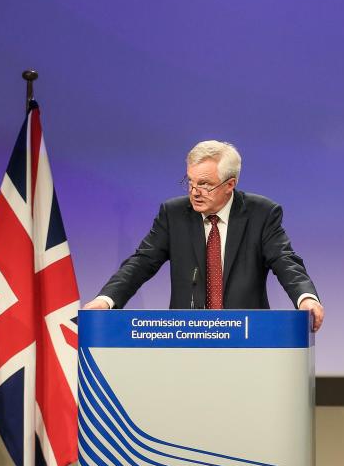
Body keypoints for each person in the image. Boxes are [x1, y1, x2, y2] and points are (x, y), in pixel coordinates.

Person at [83, 140, 324, 331]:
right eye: (190, 182)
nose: (195, 192)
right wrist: (106, 300)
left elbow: (285, 261)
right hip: (186, 337)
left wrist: (306, 298)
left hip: (248, 337)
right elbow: (141, 262)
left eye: (205, 184)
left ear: (230, 184)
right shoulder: (174, 214)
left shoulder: (261, 213)